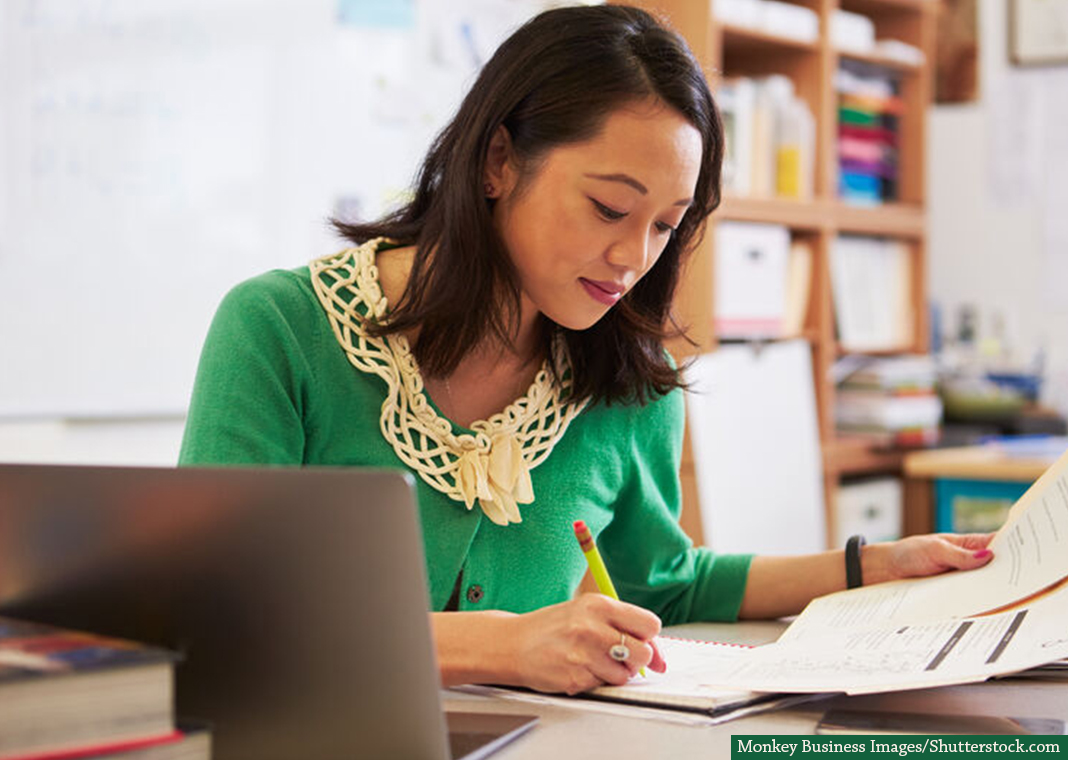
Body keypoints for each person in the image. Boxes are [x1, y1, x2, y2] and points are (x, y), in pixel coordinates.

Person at [179, 5, 993, 696]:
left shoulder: (630, 383)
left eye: (666, 225)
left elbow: (663, 582)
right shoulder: (281, 331)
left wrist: (869, 569)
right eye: (610, 208)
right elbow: (221, 612)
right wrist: (498, 646)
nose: (634, 257)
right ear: (499, 161)